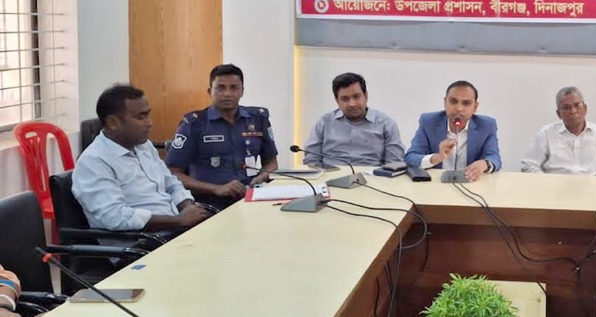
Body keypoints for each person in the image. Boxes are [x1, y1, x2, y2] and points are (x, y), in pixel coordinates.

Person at [73, 84, 210, 232]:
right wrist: (179, 221)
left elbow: (171, 184)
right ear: (113, 123)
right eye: (141, 117)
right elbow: (115, 217)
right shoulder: (94, 162)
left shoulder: (144, 146)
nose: (149, 122)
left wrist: (188, 207)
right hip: (144, 240)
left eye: (148, 115)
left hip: (175, 229)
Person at [165, 64, 278, 210]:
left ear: (242, 91)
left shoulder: (257, 119)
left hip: (250, 198)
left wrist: (261, 177)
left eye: (234, 88)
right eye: (221, 88)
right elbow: (172, 173)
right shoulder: (194, 124)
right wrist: (216, 189)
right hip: (209, 202)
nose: (227, 94)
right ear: (209, 91)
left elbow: (271, 162)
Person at [404, 81, 501, 182]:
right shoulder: (429, 122)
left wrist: (483, 164)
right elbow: (410, 158)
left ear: (475, 107)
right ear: (445, 102)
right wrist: (437, 157)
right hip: (436, 184)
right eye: (453, 102)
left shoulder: (486, 125)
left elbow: (494, 158)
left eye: (466, 103)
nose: (459, 108)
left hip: (471, 183)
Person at [303, 72, 404, 168]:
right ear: (337, 100)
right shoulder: (324, 123)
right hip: (331, 176)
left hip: (372, 177)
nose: (352, 104)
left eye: (356, 97)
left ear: (366, 96)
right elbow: (311, 161)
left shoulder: (386, 124)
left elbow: (394, 164)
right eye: (345, 99)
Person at [520, 87, 596, 176]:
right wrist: (548, 182)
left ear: (585, 108)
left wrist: (594, 184)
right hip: (555, 189)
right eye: (567, 108)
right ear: (559, 114)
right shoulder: (546, 134)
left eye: (577, 105)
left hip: (593, 189)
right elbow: (528, 165)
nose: (573, 111)